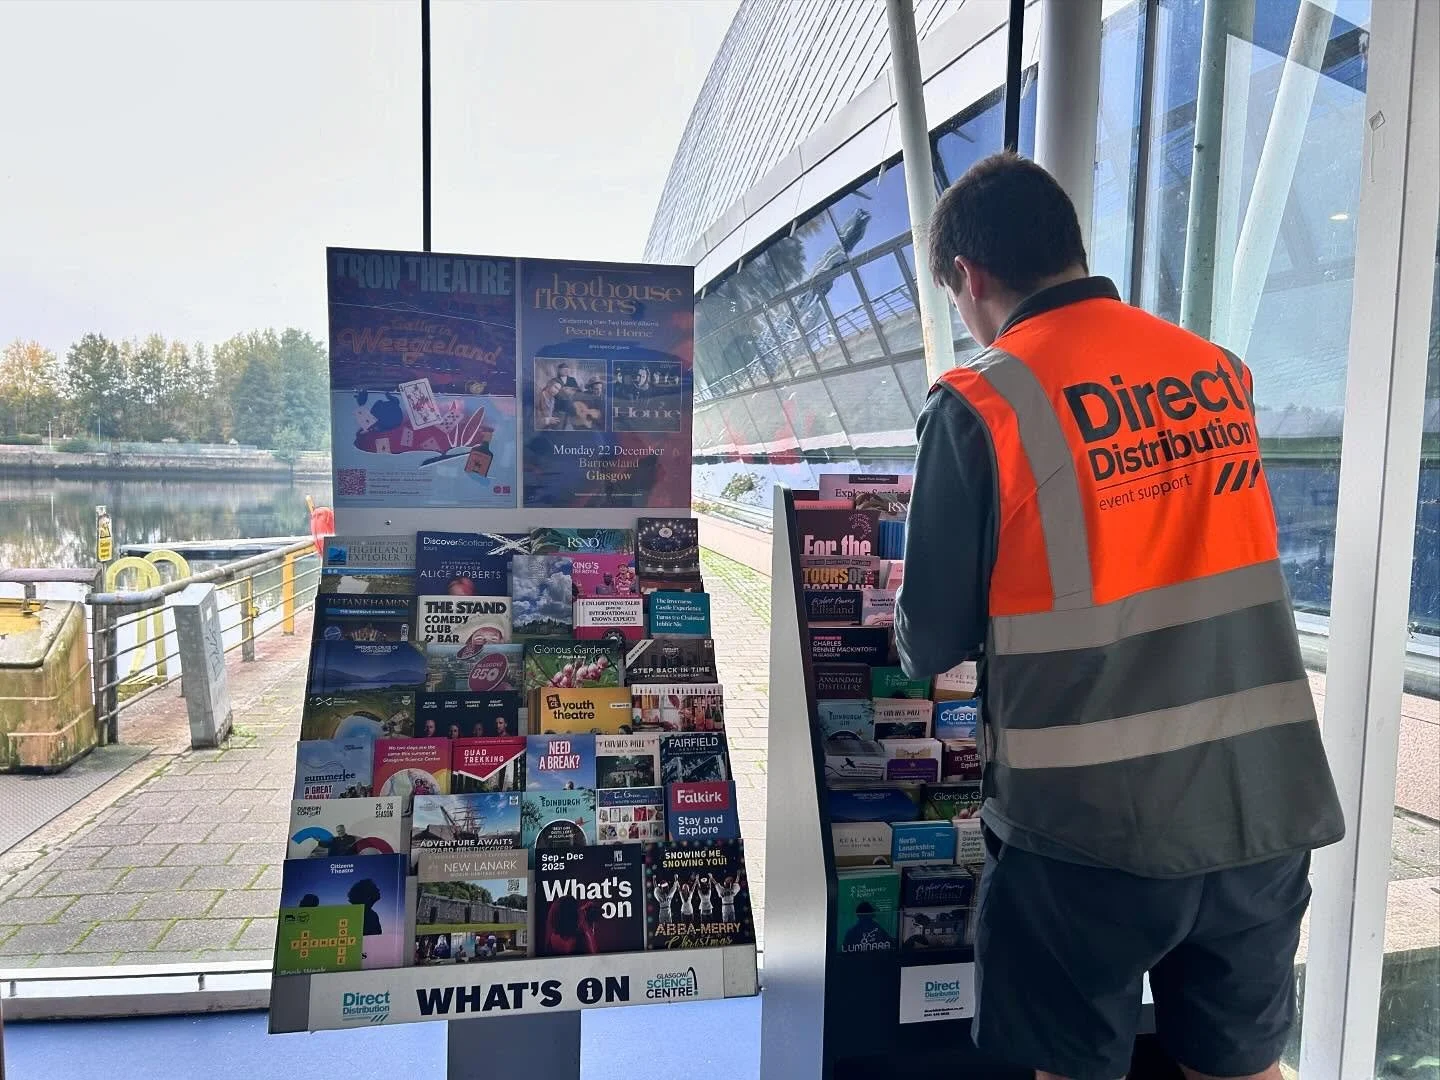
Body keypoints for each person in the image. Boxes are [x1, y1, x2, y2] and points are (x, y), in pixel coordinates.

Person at [894, 151, 1344, 1080]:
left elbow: (929, 639)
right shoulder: (1217, 371)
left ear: (968, 279)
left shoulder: (983, 399)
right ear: (1070, 246)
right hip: (1259, 801)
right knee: (1245, 1069)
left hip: (1086, 832)